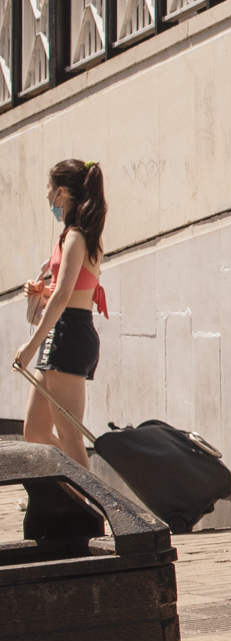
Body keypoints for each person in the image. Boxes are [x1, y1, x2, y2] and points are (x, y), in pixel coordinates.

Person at [15, 158, 109, 468]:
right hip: (63, 331)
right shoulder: (74, 235)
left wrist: (29, 348)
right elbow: (64, 291)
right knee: (36, 430)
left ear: (61, 193)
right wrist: (42, 292)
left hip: (67, 334)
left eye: (47, 189)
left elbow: (63, 296)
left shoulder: (75, 237)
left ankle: (93, 506)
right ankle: (77, 494)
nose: (45, 197)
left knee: (70, 436)